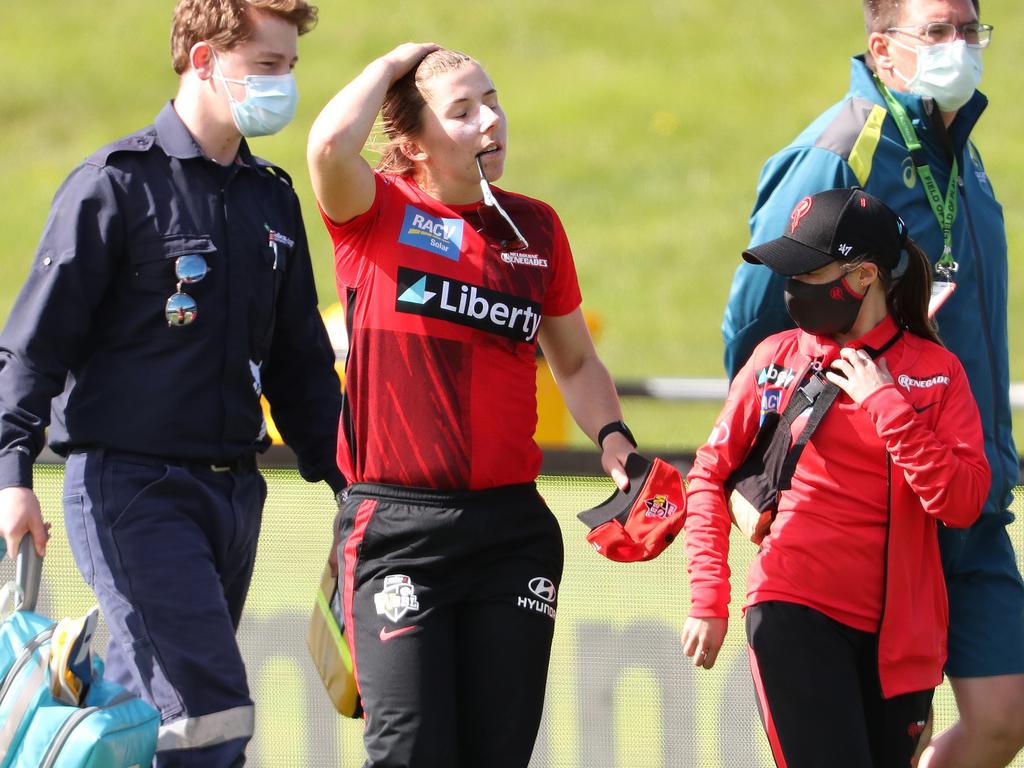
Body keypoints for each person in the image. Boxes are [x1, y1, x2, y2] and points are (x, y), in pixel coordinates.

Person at [0, 1, 345, 765]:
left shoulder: (273, 200)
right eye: (267, 66)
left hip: (232, 498)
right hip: (131, 489)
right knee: (208, 712)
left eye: (290, 66)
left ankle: (80, 674)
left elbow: (302, 373)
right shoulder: (113, 186)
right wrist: (10, 475)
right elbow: (31, 346)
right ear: (203, 61)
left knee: (140, 721)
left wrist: (357, 486)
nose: (284, 85)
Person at [306, 43, 635, 767]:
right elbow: (329, 143)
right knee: (412, 753)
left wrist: (615, 437)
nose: (491, 122)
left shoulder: (536, 230)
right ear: (410, 144)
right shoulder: (373, 210)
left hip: (511, 533)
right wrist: (393, 63)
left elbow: (575, 360)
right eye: (461, 112)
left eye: (492, 101)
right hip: (396, 530)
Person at [720, 2, 1024, 765]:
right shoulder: (839, 149)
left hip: (965, 487)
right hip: (871, 505)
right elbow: (760, 318)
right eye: (940, 31)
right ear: (883, 47)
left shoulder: (963, 151)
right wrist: (772, 465)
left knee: (1006, 716)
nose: (960, 46)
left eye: (970, 30)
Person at [682, 187, 990, 767]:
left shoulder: (936, 373)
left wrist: (886, 404)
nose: (792, 289)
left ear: (864, 276)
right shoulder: (776, 355)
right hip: (790, 608)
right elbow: (707, 472)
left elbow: (964, 501)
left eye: (808, 272)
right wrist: (707, 596)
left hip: (903, 649)